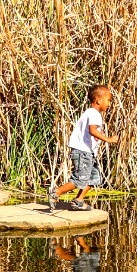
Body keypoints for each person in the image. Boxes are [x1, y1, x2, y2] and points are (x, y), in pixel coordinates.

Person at [49, 84, 119, 212]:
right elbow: (92, 130)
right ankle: (56, 192)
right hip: (83, 152)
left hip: (88, 152)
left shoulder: (90, 113)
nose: (109, 104)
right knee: (79, 179)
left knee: (94, 178)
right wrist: (107, 139)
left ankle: (78, 201)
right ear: (98, 100)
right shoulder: (94, 114)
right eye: (108, 100)